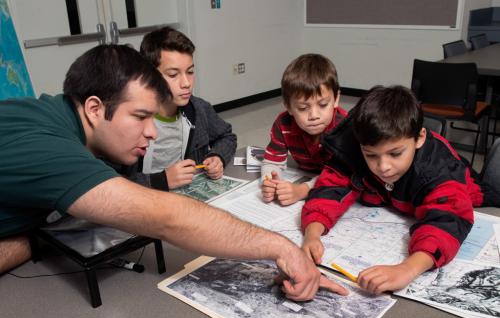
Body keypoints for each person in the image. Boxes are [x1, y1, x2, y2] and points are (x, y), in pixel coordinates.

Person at [0, 44, 347, 301]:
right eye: (140, 116)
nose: (152, 132)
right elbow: (166, 217)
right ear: (94, 108)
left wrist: (38, 236)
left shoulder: (50, 120)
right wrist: (284, 249)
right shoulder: (49, 147)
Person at [301, 85, 500, 294]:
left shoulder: (439, 169)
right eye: (371, 155)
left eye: (395, 153)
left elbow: (447, 221)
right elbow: (331, 186)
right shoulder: (356, 143)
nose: (383, 167)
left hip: (480, 199)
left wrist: (407, 269)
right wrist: (312, 234)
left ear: (420, 138)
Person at [132, 26, 237, 191]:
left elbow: (227, 136)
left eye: (190, 72)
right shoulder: (130, 119)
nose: (186, 83)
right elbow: (109, 181)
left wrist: (217, 156)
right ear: (150, 76)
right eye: (173, 75)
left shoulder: (198, 109)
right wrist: (162, 180)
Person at [261, 54, 348, 206]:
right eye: (303, 108)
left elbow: (340, 176)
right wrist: (270, 182)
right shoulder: (283, 124)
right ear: (288, 106)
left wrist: (303, 190)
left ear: (336, 98)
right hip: (308, 174)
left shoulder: (345, 127)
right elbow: (272, 162)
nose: (314, 116)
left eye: (322, 105)